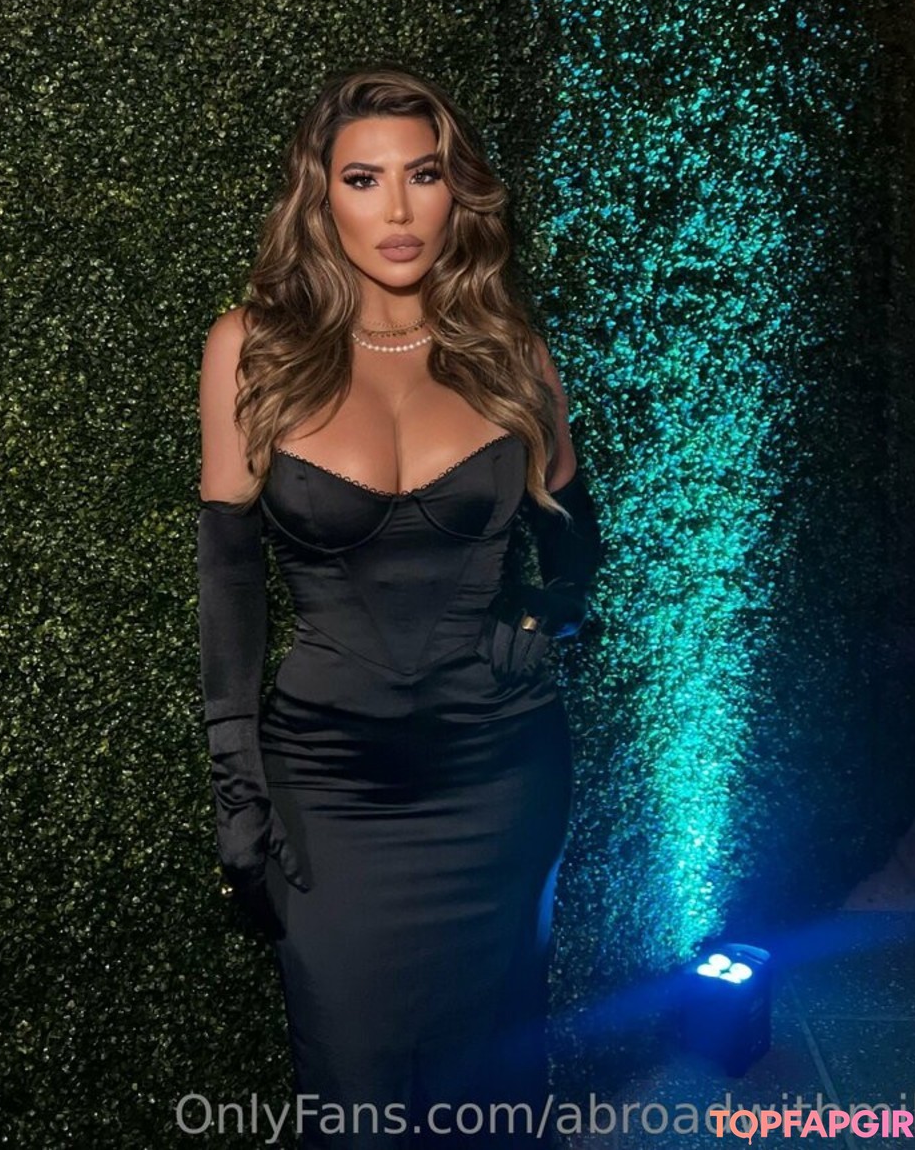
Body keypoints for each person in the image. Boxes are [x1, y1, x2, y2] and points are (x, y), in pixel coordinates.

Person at [197, 64, 602, 1150]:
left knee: (495, 1090)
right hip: (331, 788)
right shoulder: (250, 350)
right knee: (356, 1098)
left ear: (455, 189)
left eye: (423, 174)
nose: (398, 209)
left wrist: (543, 617)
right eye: (364, 178)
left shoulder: (509, 350)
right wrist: (237, 783)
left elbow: (578, 542)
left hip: (502, 774)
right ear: (320, 195)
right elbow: (229, 577)